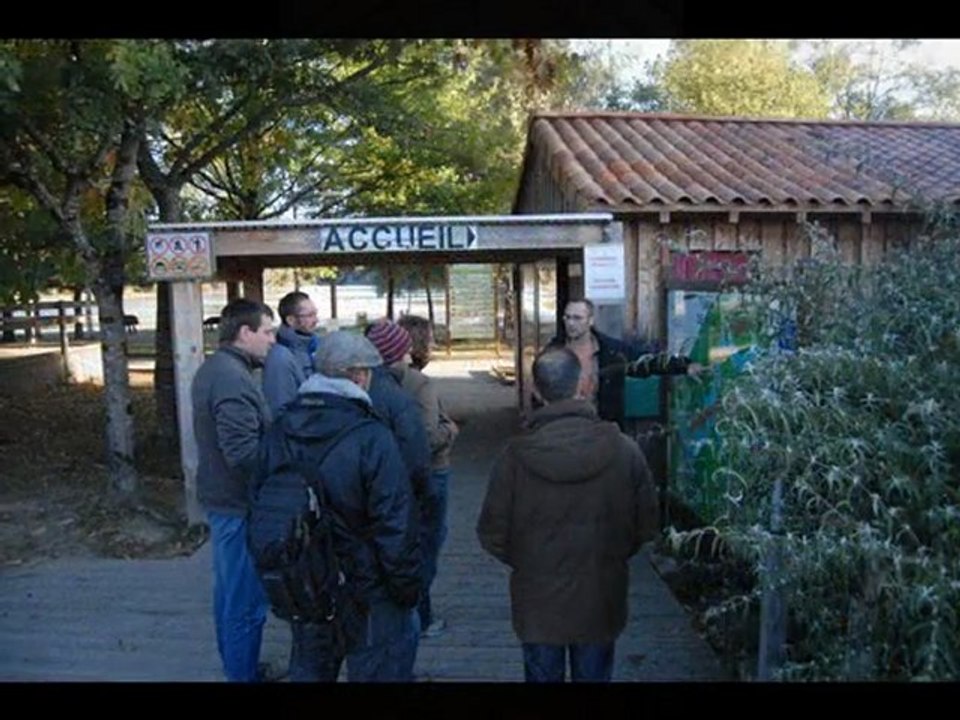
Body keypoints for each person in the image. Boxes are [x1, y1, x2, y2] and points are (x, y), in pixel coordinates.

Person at [476, 346, 659, 682]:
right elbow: (646, 524)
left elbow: (492, 533)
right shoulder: (623, 450)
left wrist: (532, 561)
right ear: (583, 386)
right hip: (601, 597)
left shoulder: (514, 457)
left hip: (538, 602)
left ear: (536, 390)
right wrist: (610, 555)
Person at [267, 330, 421, 681]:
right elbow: (394, 524)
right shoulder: (372, 436)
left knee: (310, 667)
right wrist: (407, 588)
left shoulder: (281, 428)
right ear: (358, 375)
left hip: (302, 579)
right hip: (366, 586)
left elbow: (261, 499)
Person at [191, 298, 276, 682]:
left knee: (228, 593)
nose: (273, 341)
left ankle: (238, 667)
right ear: (245, 333)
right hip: (237, 504)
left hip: (223, 499)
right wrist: (282, 474)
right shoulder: (231, 377)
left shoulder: (216, 367)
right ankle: (242, 675)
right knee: (245, 601)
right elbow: (242, 452)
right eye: (268, 332)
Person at [395, 314, 459, 639]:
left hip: (406, 475)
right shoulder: (419, 384)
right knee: (429, 542)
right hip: (432, 474)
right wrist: (451, 430)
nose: (433, 343)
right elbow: (426, 439)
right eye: (429, 337)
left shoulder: (397, 379)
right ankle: (420, 615)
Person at [547, 298, 701, 431]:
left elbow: (646, 362)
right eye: (567, 317)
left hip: (603, 429)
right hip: (564, 429)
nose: (571, 323)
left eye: (577, 318)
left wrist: (683, 366)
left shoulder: (611, 351)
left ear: (591, 320)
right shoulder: (553, 353)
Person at [363, 320, 432, 502]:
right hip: (395, 491)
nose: (409, 359)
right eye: (405, 353)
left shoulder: (365, 386)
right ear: (392, 356)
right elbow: (416, 453)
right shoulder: (394, 395)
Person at [262, 290, 320, 417]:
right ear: (291, 320)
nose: (316, 320)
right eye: (310, 315)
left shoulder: (315, 346)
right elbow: (280, 409)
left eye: (315, 314)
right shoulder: (279, 357)